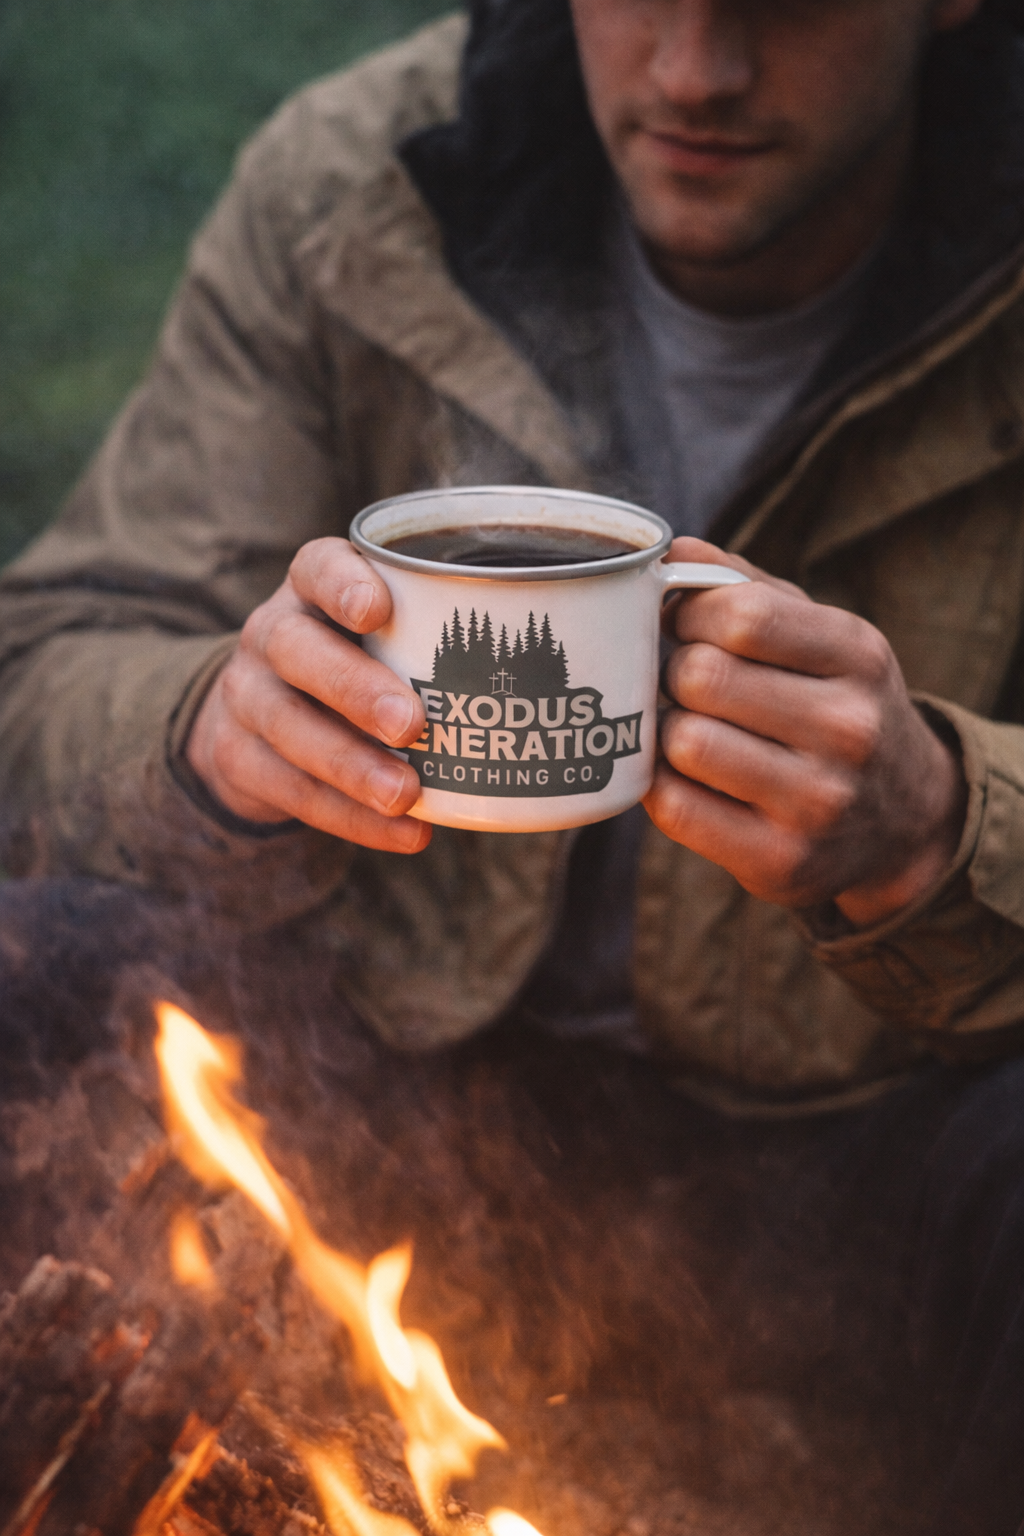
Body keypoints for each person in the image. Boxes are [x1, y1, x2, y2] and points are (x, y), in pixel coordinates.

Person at [3, 0, 1024, 1527]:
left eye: (785, 5)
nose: (698, 70)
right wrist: (205, 729)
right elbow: (52, 656)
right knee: (39, 968)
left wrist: (939, 819)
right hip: (395, 1084)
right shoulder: (362, 186)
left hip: (856, 1159)